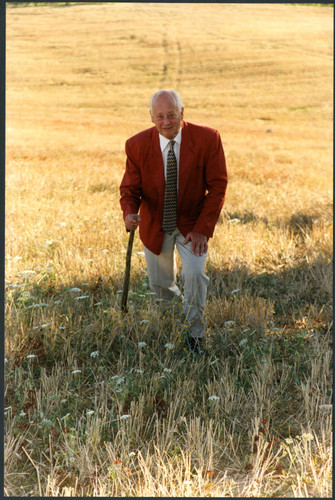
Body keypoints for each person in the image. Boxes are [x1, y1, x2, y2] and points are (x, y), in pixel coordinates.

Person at [120, 90, 228, 354]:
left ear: (182, 112)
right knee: (160, 286)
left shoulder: (208, 138)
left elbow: (217, 186)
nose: (166, 121)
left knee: (194, 275)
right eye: (159, 116)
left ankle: (195, 337)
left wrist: (203, 230)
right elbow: (130, 190)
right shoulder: (136, 144)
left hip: (193, 225)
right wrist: (129, 212)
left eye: (171, 115)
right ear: (151, 118)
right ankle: (172, 333)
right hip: (155, 224)